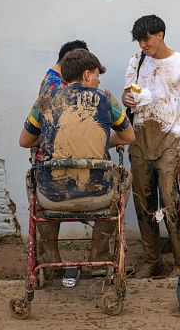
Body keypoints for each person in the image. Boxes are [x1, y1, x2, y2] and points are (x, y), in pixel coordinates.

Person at [20, 49, 134, 274]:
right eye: (97, 75)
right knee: (125, 179)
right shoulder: (106, 98)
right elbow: (129, 136)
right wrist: (100, 141)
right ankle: (98, 257)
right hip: (97, 196)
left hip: (52, 197)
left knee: (34, 180)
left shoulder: (44, 101)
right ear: (87, 75)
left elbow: (25, 141)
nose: (99, 79)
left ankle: (51, 258)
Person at [121, 14, 180, 278]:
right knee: (143, 201)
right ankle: (151, 259)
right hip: (139, 138)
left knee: (169, 200)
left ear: (160, 35)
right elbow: (126, 93)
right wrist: (128, 99)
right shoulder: (136, 60)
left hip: (170, 141)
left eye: (147, 39)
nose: (143, 45)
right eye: (139, 41)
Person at [18, 40, 98, 276]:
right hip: (62, 165)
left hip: (53, 167)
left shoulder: (51, 83)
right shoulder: (57, 89)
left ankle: (51, 261)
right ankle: (91, 258)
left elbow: (27, 137)